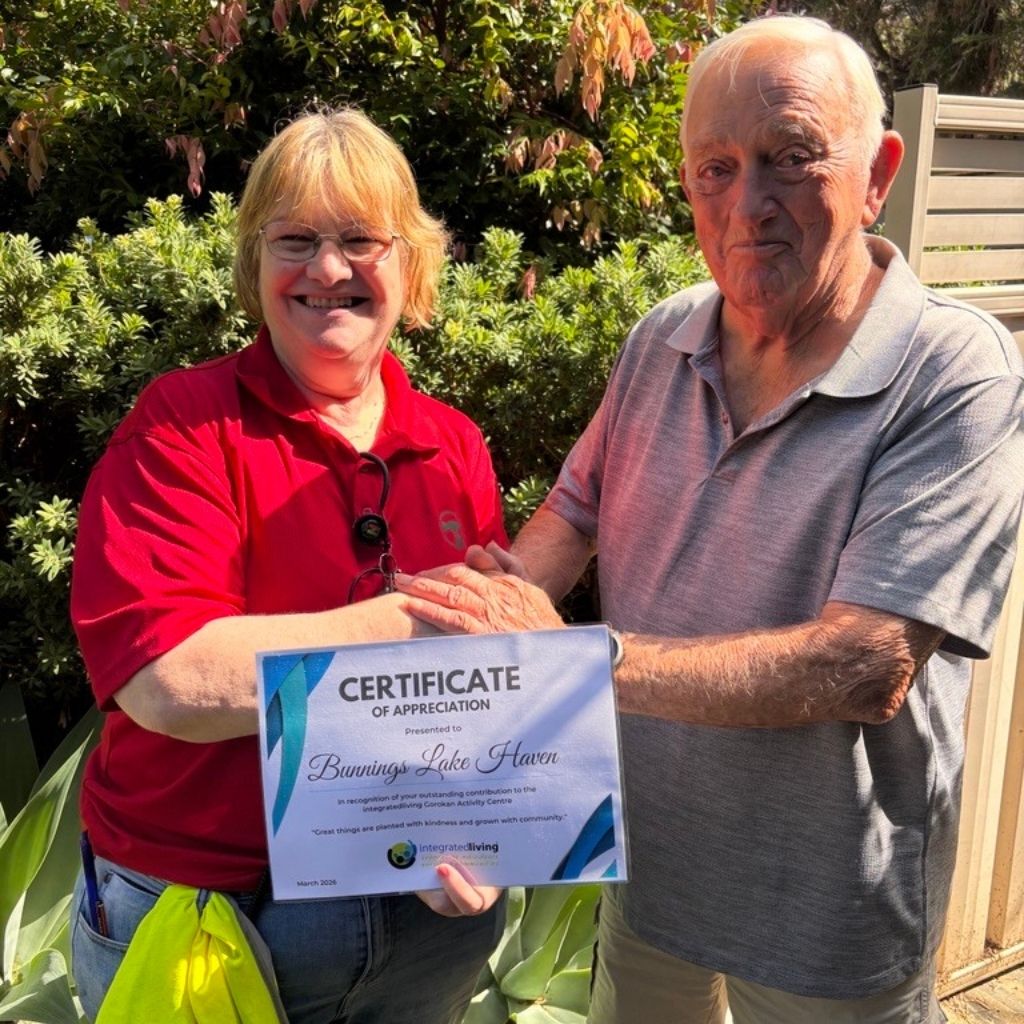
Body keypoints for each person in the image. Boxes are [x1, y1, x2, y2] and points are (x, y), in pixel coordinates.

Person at [395, 15, 1024, 1024]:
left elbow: (863, 665)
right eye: (715, 168)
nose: (747, 205)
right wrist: (479, 646)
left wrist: (566, 661)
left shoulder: (954, 371)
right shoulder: (662, 337)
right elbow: (572, 509)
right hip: (647, 874)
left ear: (878, 173)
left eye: (790, 159)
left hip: (827, 920)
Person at [69, 108, 504, 1024]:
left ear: (412, 264)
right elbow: (171, 681)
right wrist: (422, 618)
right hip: (216, 917)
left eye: (360, 240)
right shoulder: (185, 425)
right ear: (254, 265)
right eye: (295, 239)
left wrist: (464, 827)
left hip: (420, 918)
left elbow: (477, 701)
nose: (329, 269)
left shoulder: (454, 444)